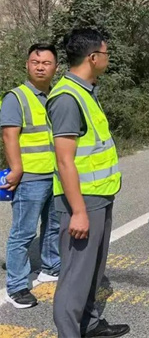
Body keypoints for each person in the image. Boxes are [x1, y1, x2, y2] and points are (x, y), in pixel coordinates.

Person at [47, 29, 129, 338]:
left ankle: (89, 324)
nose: (108, 59)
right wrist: (78, 211)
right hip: (82, 201)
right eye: (106, 54)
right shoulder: (67, 98)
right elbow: (64, 161)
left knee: (93, 270)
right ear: (93, 58)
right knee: (75, 277)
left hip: (100, 196)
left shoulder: (86, 91)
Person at [1, 44, 60, 309]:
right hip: (30, 177)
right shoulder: (17, 97)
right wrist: (16, 168)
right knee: (23, 232)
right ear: (27, 65)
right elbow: (9, 135)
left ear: (55, 67)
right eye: (35, 62)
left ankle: (51, 267)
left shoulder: (56, 96)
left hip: (55, 174)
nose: (40, 67)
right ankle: (16, 287)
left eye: (46, 63)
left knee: (54, 226)